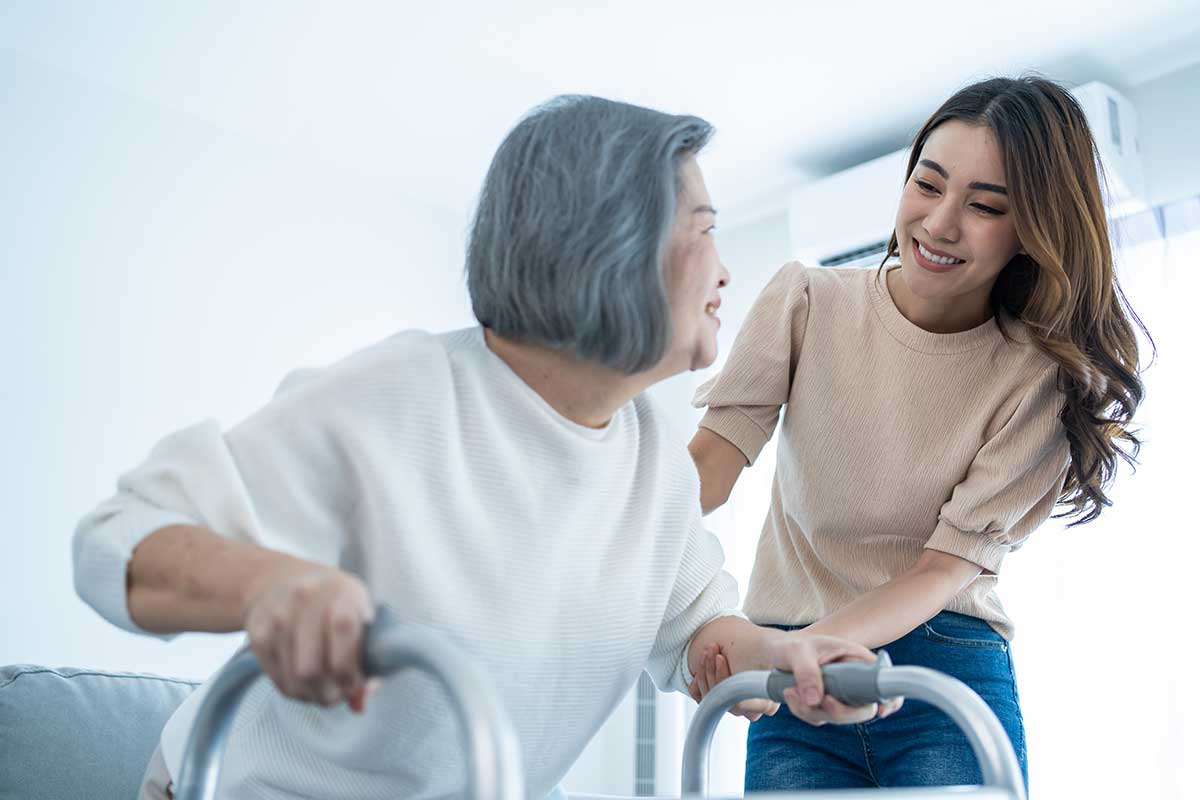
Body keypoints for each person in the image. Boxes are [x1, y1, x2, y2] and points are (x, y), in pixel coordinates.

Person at [73, 95, 889, 800]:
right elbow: (119, 536)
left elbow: (696, 635)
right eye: (704, 231)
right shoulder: (402, 396)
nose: (724, 274)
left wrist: (785, 656)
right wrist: (270, 585)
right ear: (614, 242)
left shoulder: (652, 464)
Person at [686, 76, 1150, 792]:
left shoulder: (1038, 377)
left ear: (1034, 230)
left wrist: (791, 656)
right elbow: (708, 472)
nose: (939, 224)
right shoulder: (806, 301)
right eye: (927, 186)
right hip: (797, 679)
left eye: (986, 206)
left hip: (941, 670)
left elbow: (940, 571)